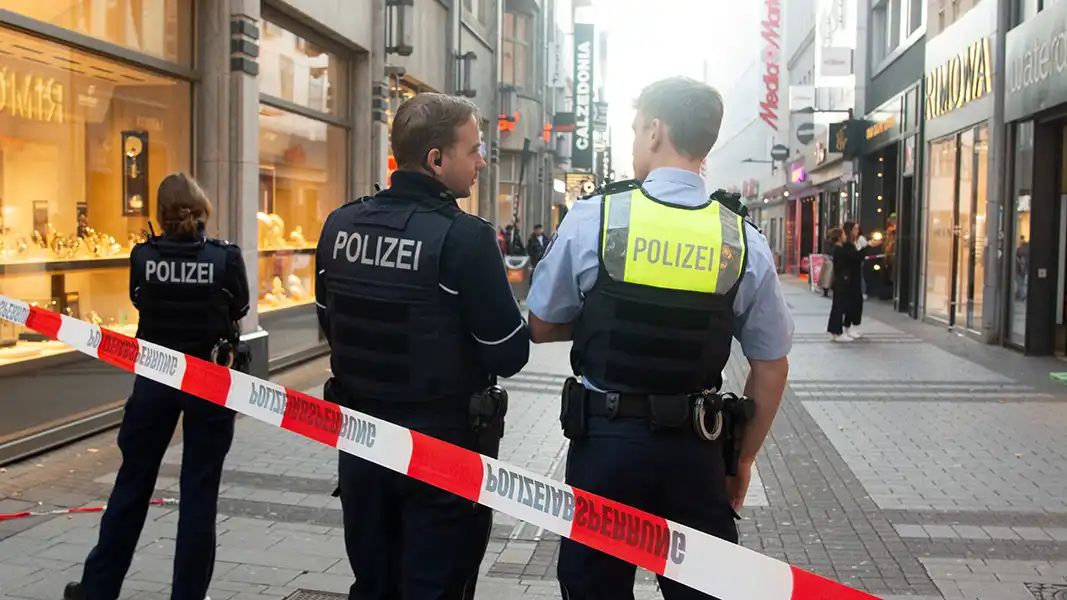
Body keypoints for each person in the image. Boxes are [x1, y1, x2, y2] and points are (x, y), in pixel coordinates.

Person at [526, 76, 794, 600]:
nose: (633, 141)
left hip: (605, 444)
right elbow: (771, 363)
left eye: (634, 128)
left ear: (654, 131)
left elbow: (540, 323)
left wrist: (604, 317)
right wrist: (741, 462)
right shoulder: (740, 237)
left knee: (593, 589)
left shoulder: (596, 217)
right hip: (696, 452)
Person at [315, 92, 530, 600]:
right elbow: (508, 353)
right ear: (437, 160)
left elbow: (330, 322)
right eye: (474, 149)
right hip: (441, 449)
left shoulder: (340, 225)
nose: (481, 161)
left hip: (362, 440)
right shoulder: (466, 240)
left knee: (374, 584)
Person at [65, 173, 251, 600]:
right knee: (199, 495)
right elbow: (239, 306)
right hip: (207, 379)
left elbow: (137, 300)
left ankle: (98, 589)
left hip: (154, 377)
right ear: (202, 209)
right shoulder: (225, 258)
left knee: (131, 485)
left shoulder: (142, 256)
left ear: (160, 215)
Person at [833, 221, 881, 340]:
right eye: (855, 229)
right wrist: (868, 246)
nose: (857, 232)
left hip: (851, 277)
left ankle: (848, 327)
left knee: (854, 302)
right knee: (846, 304)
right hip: (847, 278)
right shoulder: (844, 247)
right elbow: (855, 257)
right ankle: (841, 330)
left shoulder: (852, 244)